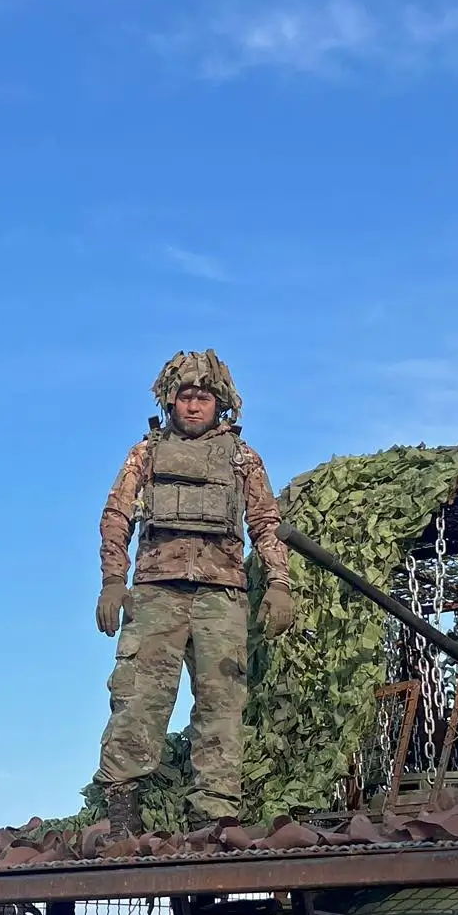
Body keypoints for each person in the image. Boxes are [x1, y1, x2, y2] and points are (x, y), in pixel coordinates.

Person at [95, 351, 293, 833]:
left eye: (203, 397)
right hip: (156, 593)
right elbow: (116, 517)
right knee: (138, 698)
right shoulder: (145, 454)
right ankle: (121, 810)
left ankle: (215, 815)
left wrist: (279, 583)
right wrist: (113, 581)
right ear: (170, 401)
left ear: (220, 403)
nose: (193, 405)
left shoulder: (243, 458)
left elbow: (266, 523)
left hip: (221, 596)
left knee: (221, 702)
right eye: (185, 396)